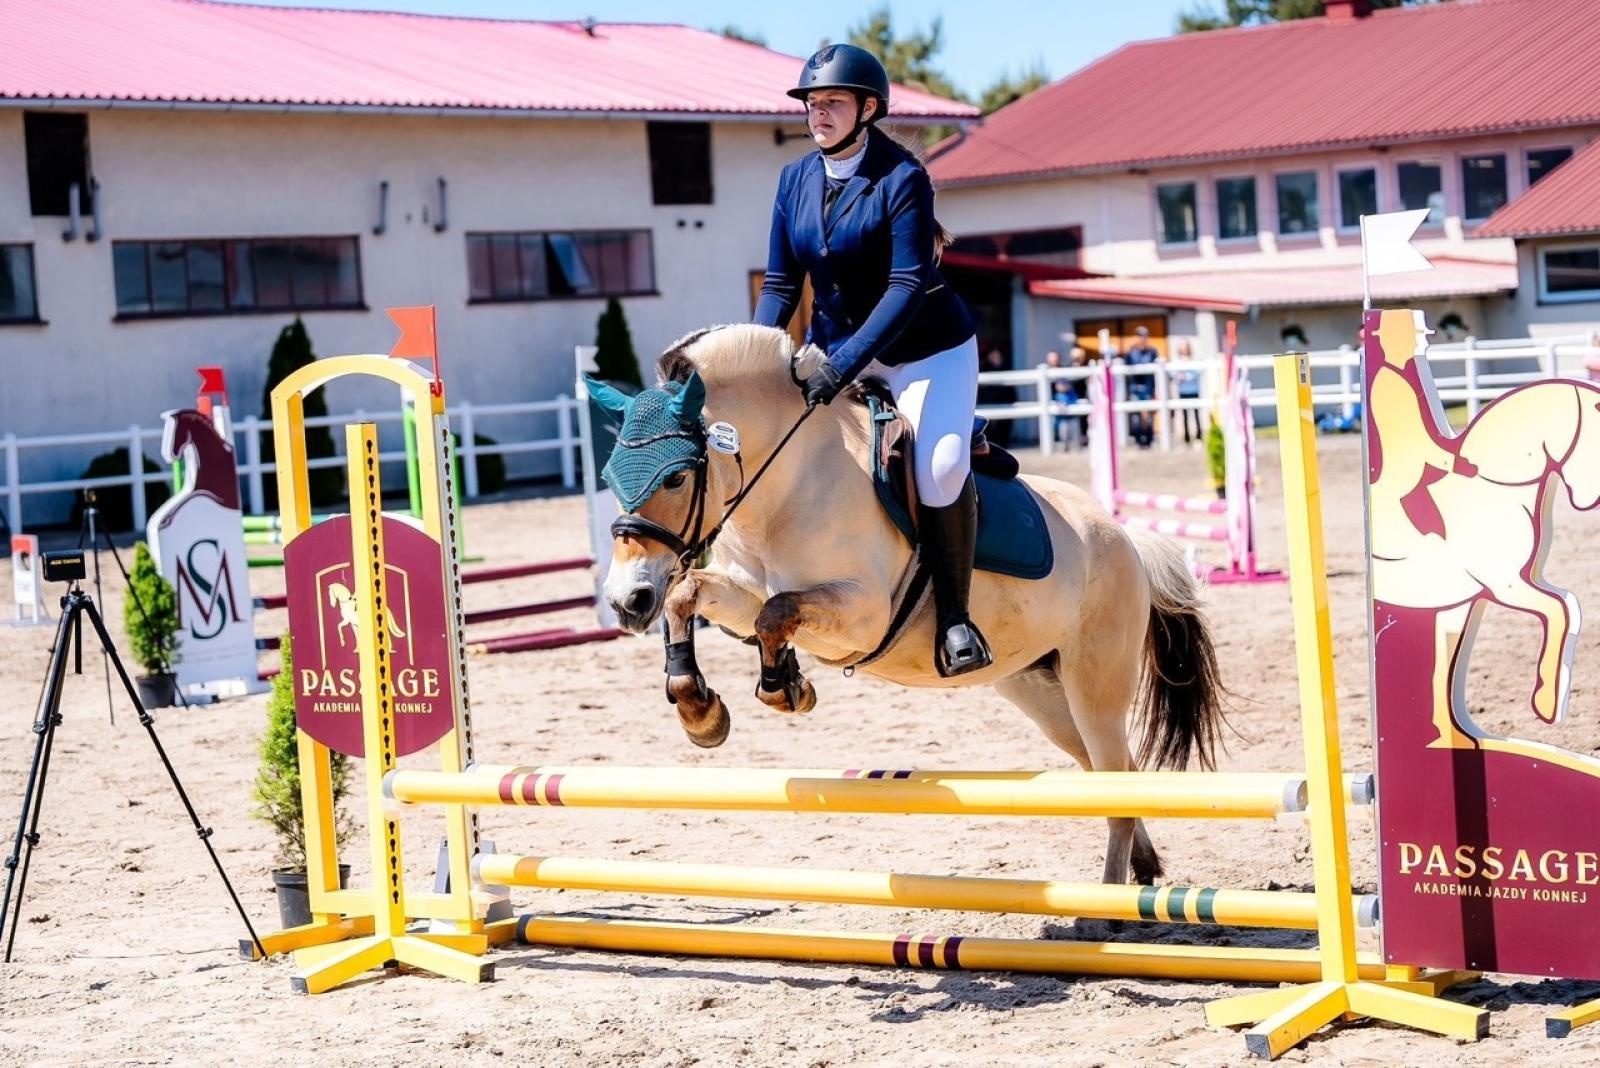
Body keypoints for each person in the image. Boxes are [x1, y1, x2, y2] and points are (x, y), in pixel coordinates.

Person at [753, 43, 991, 677]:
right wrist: (753, 357)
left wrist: (842, 365)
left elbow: (906, 286)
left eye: (832, 101)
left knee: (939, 467)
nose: (817, 112)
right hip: (836, 348)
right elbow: (781, 284)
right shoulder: (794, 179)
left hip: (924, 350)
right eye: (811, 102)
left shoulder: (902, 178)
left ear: (867, 109)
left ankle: (957, 618)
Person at [1121, 326, 1160, 448]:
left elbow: (1155, 372)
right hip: (1135, 388)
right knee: (1136, 417)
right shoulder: (1130, 353)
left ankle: (1149, 440)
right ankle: (1139, 441)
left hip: (1148, 388)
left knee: (1149, 416)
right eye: (1139, 336)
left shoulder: (1152, 352)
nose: (1141, 338)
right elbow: (1126, 371)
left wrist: (1155, 389)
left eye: (1143, 336)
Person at [977, 346, 1015, 447]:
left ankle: (1003, 442)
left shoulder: (1006, 368)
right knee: (987, 425)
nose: (995, 357)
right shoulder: (984, 368)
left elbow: (1010, 389)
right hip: (988, 401)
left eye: (997, 355)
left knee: (1004, 423)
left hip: (1004, 400)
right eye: (993, 355)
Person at [1170, 338, 1203, 444]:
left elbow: (1198, 372)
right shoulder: (1176, 360)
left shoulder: (1193, 359)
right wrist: (1180, 376)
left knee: (1196, 414)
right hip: (1183, 391)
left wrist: (1186, 376)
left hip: (1194, 390)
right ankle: (1187, 437)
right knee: (1184, 415)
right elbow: (1173, 373)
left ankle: (1199, 435)